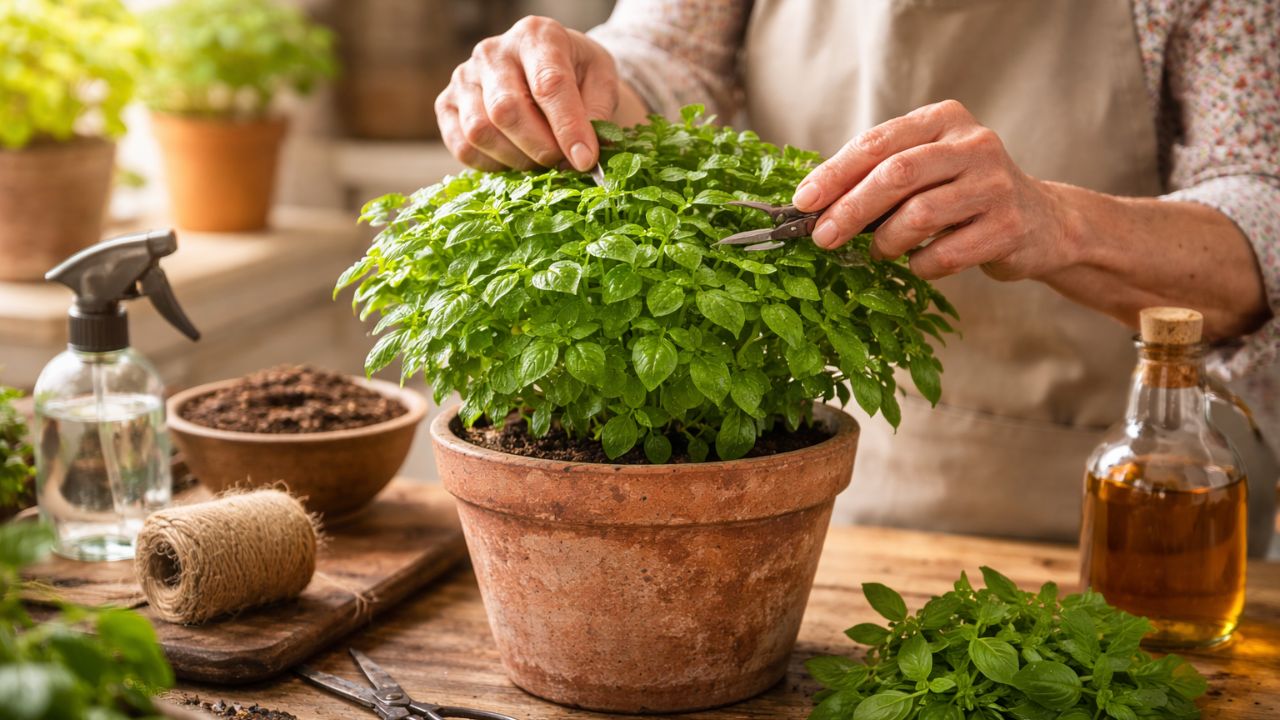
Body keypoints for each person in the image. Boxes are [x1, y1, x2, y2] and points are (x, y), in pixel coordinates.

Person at [434, 0, 1280, 543]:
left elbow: (1263, 218)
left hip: (1128, 507)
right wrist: (573, 91)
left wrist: (1063, 221)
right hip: (811, 487)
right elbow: (665, 57)